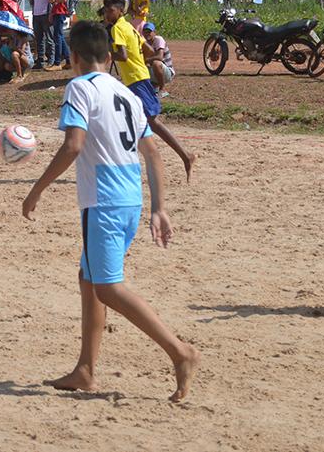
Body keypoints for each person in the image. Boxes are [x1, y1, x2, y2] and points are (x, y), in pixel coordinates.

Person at [21, 20, 199, 402]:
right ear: (108, 55)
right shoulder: (127, 94)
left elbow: (73, 145)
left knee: (107, 287)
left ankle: (179, 352)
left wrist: (37, 188)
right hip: (129, 198)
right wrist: (159, 208)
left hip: (101, 201)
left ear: (74, 57)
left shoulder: (79, 88)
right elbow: (152, 153)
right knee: (89, 281)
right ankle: (85, 370)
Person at [101, 0, 195, 181]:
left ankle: (186, 156)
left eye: (110, 10)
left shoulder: (118, 28)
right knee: (126, 122)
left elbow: (123, 55)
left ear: (120, 11)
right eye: (105, 11)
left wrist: (105, 53)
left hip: (136, 81)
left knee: (152, 122)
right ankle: (121, 164)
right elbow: (149, 52)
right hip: (135, 80)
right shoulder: (130, 27)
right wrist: (139, 61)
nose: (107, 14)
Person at [29, 0, 57, 69]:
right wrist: (31, 1)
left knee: (50, 39)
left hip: (46, 14)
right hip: (36, 15)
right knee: (39, 39)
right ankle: (41, 61)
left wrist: (51, 12)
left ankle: (51, 60)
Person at [48, 0, 73, 70]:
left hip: (60, 11)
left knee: (57, 37)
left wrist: (55, 0)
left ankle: (57, 63)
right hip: (58, 11)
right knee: (59, 36)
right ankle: (69, 60)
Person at [142, 23, 175, 92]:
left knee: (156, 63)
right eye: (145, 32)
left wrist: (146, 60)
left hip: (167, 72)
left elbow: (160, 57)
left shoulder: (158, 39)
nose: (147, 34)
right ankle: (152, 86)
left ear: (154, 32)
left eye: (149, 32)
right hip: (154, 71)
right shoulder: (145, 43)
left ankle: (162, 89)